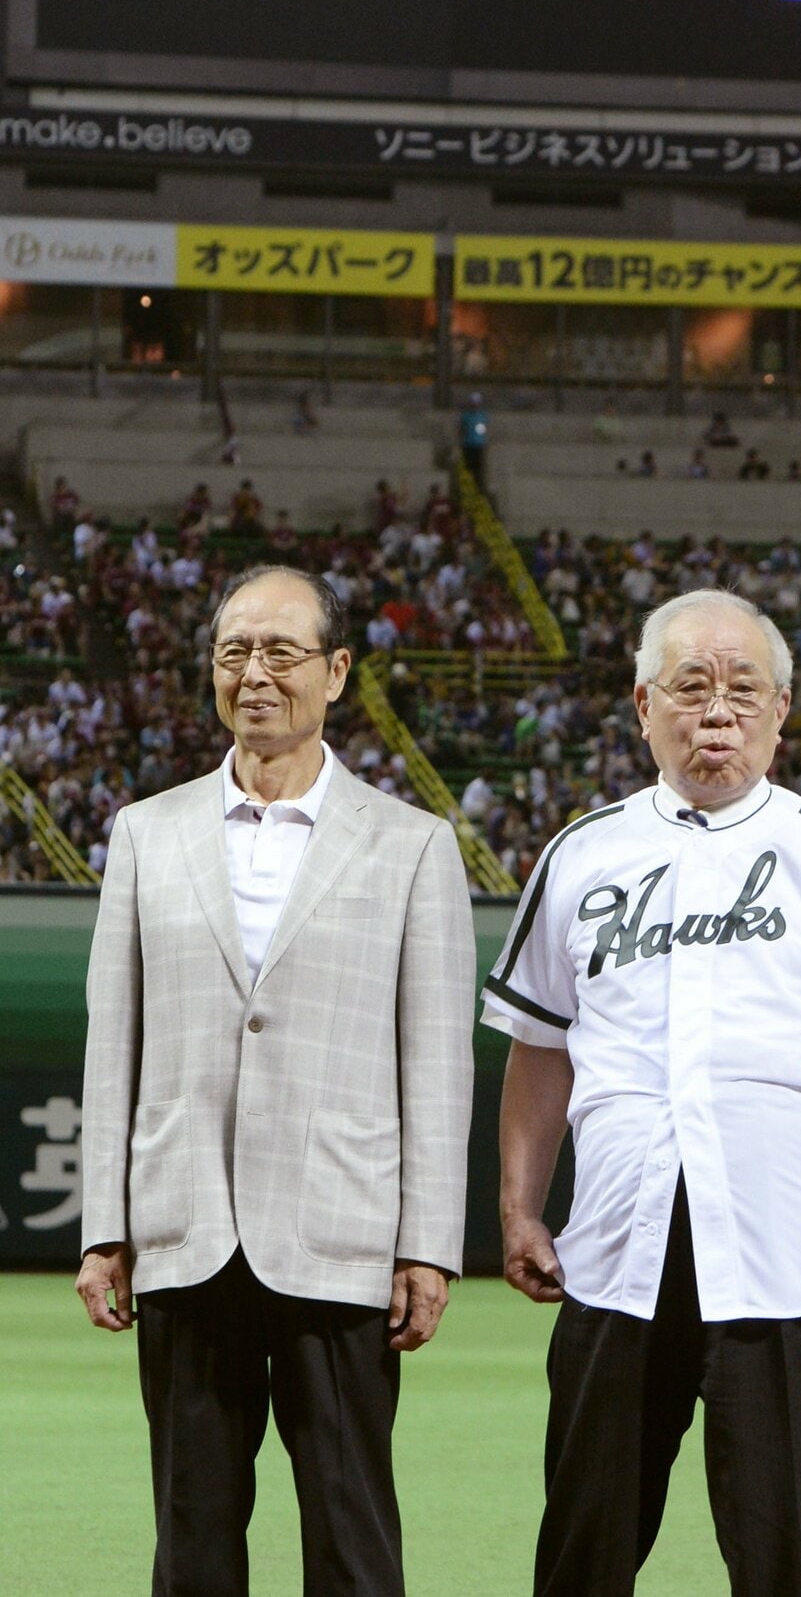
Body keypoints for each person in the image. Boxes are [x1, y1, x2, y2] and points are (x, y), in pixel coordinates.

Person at [484, 588, 801, 1597]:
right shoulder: (581, 855)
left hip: (788, 1263)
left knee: (792, 1557)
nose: (717, 713)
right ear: (643, 704)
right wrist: (521, 1204)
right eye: (691, 687)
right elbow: (539, 1048)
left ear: (783, 711)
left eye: (745, 689)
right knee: (582, 1550)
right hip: (616, 1250)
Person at [76, 563, 475, 1596]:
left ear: (337, 672)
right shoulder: (145, 834)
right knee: (193, 1534)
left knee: (352, 1535)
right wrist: (102, 1225)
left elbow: (437, 1060)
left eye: (282, 652)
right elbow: (111, 1039)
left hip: (341, 1235)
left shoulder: (413, 845)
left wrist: (427, 1243)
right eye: (233, 653)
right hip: (186, 1229)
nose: (255, 674)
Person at [460, 390, 490, 488]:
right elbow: (461, 429)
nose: (475, 405)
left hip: (479, 444)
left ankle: (478, 485)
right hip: (468, 444)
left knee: (478, 467)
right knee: (468, 466)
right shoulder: (465, 416)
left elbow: (484, 429)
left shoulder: (483, 415)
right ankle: (469, 484)